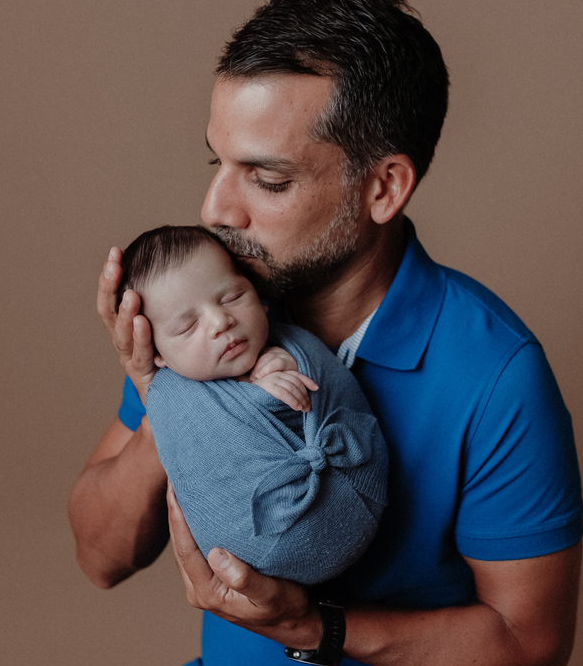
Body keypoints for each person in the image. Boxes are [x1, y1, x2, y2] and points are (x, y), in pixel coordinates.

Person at [69, 0, 583, 666]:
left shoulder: (494, 372)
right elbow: (101, 559)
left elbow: (531, 644)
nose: (216, 210)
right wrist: (164, 396)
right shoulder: (214, 316)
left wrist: (314, 628)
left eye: (267, 179)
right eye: (218, 163)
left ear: (383, 188)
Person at [117, 224, 387, 584]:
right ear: (158, 353)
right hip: (256, 543)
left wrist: (283, 371)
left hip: (346, 502)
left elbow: (316, 398)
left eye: (232, 297)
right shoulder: (171, 392)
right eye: (187, 326)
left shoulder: (287, 346)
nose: (221, 322)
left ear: (258, 296)